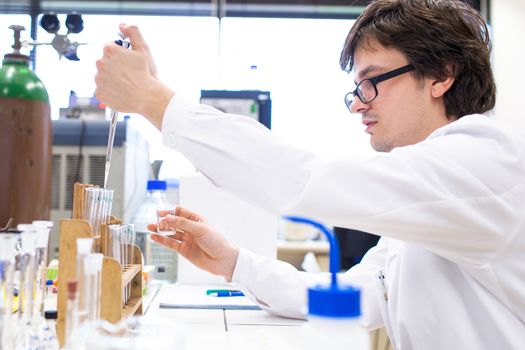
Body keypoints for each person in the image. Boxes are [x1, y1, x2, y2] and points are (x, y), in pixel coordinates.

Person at [94, 0, 525, 348]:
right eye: (356, 89)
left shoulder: (486, 162)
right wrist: (233, 261)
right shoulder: (432, 188)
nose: (358, 104)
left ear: (441, 76)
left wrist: (155, 101)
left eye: (372, 82)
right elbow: (357, 296)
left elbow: (304, 179)